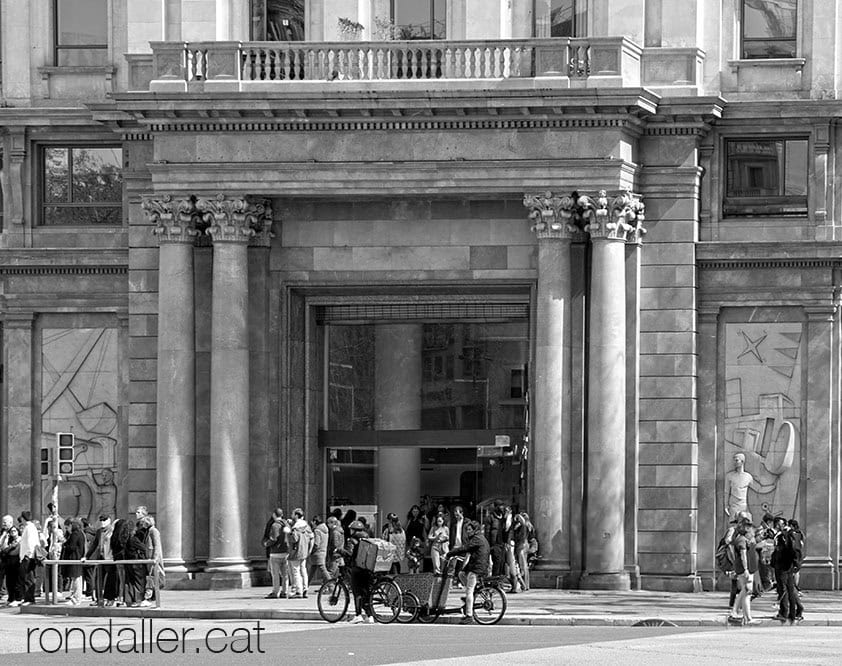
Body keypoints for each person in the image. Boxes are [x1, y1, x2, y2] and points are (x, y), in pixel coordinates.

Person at [444, 520, 491, 625]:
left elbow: (465, 548)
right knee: (461, 574)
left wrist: (450, 553)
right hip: (479, 565)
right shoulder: (479, 538)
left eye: (470, 529)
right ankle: (472, 596)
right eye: (467, 530)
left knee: (469, 591)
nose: (468, 531)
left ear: (475, 530)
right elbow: (469, 551)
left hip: (476, 567)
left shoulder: (477, 539)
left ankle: (469, 616)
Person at [338, 520, 374, 624]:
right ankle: (370, 616)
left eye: (351, 529)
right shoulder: (368, 538)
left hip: (357, 569)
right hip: (367, 568)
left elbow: (349, 553)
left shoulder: (352, 540)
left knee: (357, 592)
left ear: (354, 530)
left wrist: (339, 550)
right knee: (366, 593)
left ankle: (358, 615)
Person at [729, 518, 761, 625]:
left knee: (745, 591)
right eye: (747, 526)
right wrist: (746, 569)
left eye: (750, 526)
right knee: (747, 592)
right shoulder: (742, 540)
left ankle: (737, 613)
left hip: (744, 569)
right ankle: (747, 617)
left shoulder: (742, 539)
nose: (749, 528)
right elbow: (743, 556)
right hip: (744, 570)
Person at [83, 515, 117, 606]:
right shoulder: (99, 531)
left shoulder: (113, 530)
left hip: (109, 558)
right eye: (101, 521)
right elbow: (94, 545)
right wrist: (86, 556)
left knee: (110, 580)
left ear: (109, 520)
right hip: (101, 557)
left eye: (105, 520)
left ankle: (110, 598)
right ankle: (99, 599)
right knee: (98, 579)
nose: (103, 523)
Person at [287, 508, 313, 599]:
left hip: (296, 551)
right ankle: (305, 589)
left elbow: (294, 539)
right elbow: (311, 537)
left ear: (296, 515)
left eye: (293, 514)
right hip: (304, 551)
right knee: (303, 570)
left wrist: (289, 531)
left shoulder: (296, 528)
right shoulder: (307, 526)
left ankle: (299, 591)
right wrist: (309, 549)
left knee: (296, 571)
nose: (291, 515)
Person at [264, 509, 291, 599]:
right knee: (285, 574)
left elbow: (274, 538)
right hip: (286, 551)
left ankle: (276, 592)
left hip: (275, 552)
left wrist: (267, 543)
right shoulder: (286, 524)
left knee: (275, 574)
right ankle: (285, 591)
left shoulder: (275, 525)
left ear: (274, 515)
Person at [17, 511, 42, 606]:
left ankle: (30, 599)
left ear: (23, 518)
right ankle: (27, 598)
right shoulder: (29, 527)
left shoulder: (29, 528)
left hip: (28, 557)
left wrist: (28, 555)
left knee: (29, 578)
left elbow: (31, 543)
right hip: (27, 556)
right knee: (26, 578)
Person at [61, 519, 86, 605]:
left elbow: (71, 547)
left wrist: (64, 545)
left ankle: (76, 598)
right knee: (76, 579)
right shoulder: (81, 533)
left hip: (74, 558)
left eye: (67, 527)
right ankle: (76, 597)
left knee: (76, 579)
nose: (67, 529)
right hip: (78, 557)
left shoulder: (74, 535)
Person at [139, 516, 164, 602]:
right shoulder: (148, 531)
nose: (142, 525)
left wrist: (155, 558)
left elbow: (157, 545)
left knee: (154, 576)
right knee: (151, 576)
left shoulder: (153, 531)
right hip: (149, 557)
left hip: (153, 557)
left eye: (143, 523)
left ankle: (152, 596)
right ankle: (152, 596)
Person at [484, 499, 508, 578]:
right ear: (496, 507)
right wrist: (489, 546)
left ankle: (498, 581)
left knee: (501, 564)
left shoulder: (504, 518)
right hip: (494, 544)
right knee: (497, 563)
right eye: (500, 506)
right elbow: (487, 533)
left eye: (503, 506)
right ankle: (494, 581)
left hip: (502, 544)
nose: (502, 508)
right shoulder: (490, 518)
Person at [307, 515, 330, 589]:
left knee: (322, 569)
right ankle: (305, 586)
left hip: (317, 553)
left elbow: (316, 543)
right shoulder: (325, 530)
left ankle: (331, 585)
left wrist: (311, 551)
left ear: (314, 522)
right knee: (313, 570)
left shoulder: (317, 531)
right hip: (323, 551)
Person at [1, 525, 21, 606]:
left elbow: (14, 550)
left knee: (16, 581)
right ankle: (11, 598)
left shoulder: (20, 539)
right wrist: (5, 537)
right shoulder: (9, 540)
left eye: (14, 531)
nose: (13, 533)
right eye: (11, 531)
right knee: (9, 581)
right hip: (8, 562)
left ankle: (17, 598)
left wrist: (8, 549)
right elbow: (3, 548)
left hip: (16, 561)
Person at [513, 511, 533, 592]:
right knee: (524, 565)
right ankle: (526, 584)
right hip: (525, 544)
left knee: (523, 565)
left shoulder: (524, 526)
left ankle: (524, 584)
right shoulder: (529, 526)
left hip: (521, 545)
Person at [0, 514, 13, 601]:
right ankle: (2, 592)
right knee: (1, 575)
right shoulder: (2, 531)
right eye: (2, 522)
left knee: (10, 576)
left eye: (5, 522)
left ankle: (9, 594)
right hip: (3, 556)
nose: (3, 524)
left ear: (10, 522)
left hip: (11, 557)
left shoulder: (14, 531)